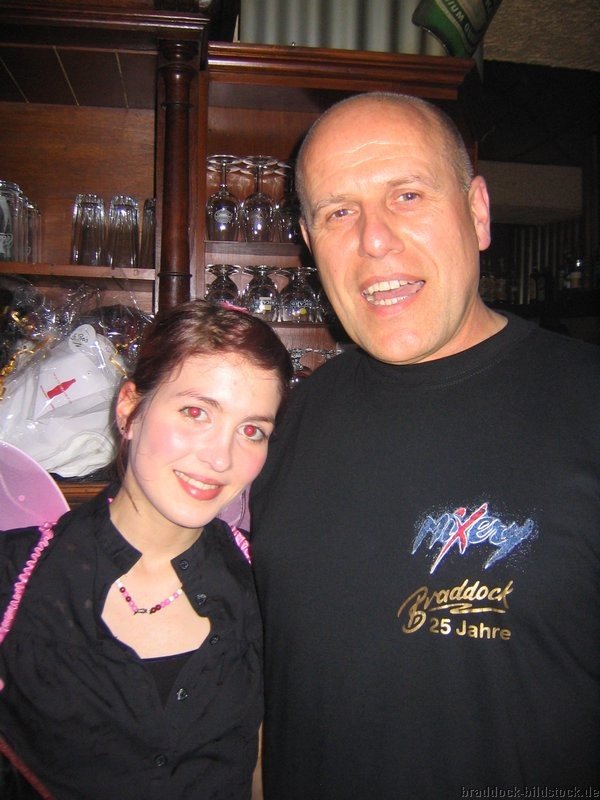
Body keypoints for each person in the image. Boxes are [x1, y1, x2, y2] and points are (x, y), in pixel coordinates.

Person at [250, 92, 600, 798]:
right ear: (310, 242)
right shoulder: (285, 421)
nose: (374, 240)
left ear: (478, 212)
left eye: (407, 195)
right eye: (339, 212)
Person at [0, 300, 292, 800]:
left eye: (252, 431)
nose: (220, 458)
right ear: (129, 409)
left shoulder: (267, 587)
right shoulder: (15, 577)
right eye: (196, 412)